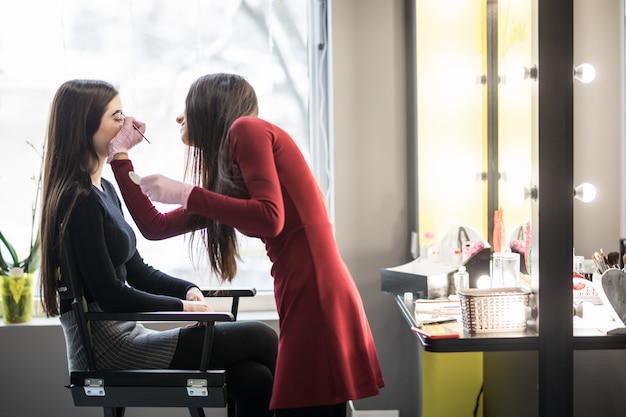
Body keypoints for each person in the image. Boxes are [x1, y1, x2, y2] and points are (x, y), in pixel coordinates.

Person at [108, 73, 385, 417]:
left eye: (187, 106)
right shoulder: (232, 172)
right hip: (304, 286)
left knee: (307, 406)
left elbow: (271, 218)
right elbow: (155, 226)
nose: (180, 117)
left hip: (316, 288)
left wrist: (185, 192)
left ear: (211, 108)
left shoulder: (247, 129)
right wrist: (119, 157)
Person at [39, 79, 277, 417]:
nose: (128, 122)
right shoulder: (78, 199)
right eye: (117, 115)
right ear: (84, 126)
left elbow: (136, 270)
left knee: (253, 379)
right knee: (262, 338)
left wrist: (188, 290)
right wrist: (182, 307)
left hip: (129, 335)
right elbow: (111, 295)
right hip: (111, 349)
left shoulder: (103, 189)